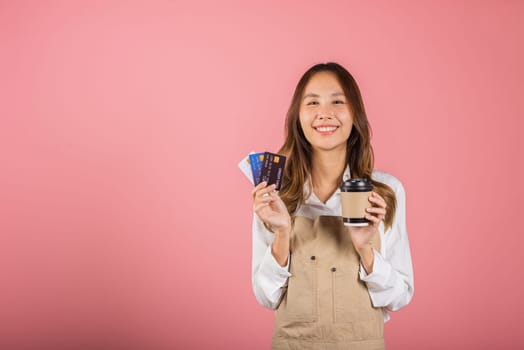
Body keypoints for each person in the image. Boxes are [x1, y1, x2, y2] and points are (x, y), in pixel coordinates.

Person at [251, 62, 414, 349]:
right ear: (297, 118)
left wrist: (366, 249)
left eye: (338, 101)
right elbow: (267, 297)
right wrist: (281, 234)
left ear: (355, 115)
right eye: (312, 102)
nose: (324, 113)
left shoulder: (385, 193)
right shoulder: (277, 194)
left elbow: (400, 296)